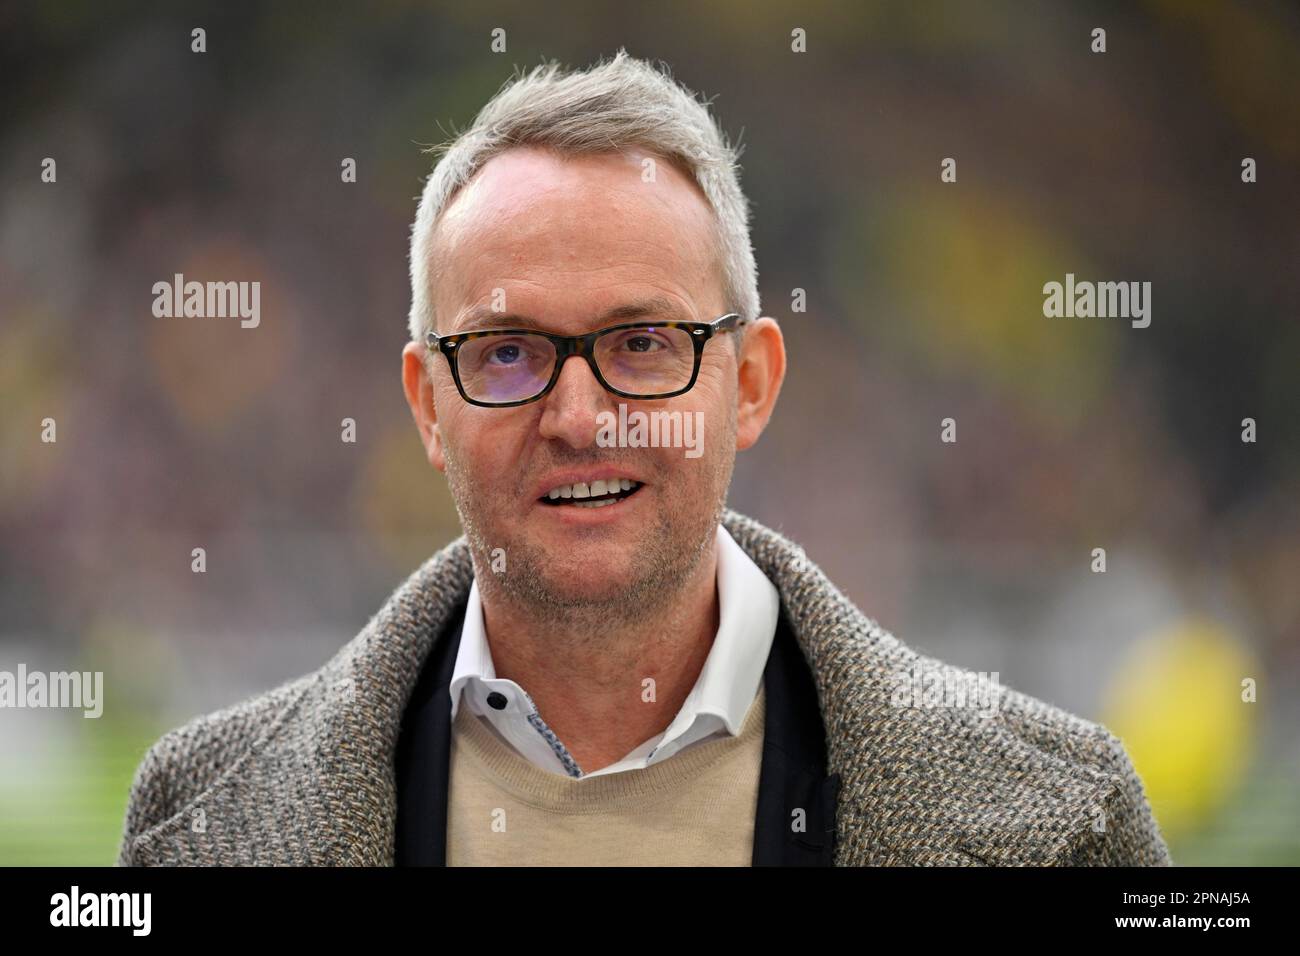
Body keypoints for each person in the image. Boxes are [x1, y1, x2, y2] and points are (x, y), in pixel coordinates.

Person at [118, 49, 1171, 866]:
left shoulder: (1063, 817)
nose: (580, 416)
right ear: (427, 404)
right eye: (507, 351)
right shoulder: (197, 817)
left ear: (750, 383)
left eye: (641, 344)